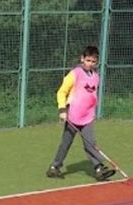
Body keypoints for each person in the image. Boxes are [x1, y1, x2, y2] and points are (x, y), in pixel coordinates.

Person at [46, 44, 114, 181]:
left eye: (93, 61)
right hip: (72, 116)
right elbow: (62, 92)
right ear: (82, 58)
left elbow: (92, 95)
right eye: (88, 60)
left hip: (87, 117)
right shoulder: (75, 74)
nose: (90, 63)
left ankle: (99, 168)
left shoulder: (96, 76)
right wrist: (62, 110)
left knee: (90, 143)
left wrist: (92, 109)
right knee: (66, 143)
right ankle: (54, 167)